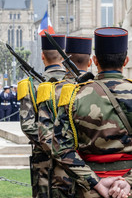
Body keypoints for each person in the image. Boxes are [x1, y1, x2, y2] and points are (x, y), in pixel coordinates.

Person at [53, 27, 132, 198]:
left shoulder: (74, 96)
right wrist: (128, 181)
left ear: (95, 61)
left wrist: (95, 182)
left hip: (90, 190)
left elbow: (61, 147)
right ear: (126, 61)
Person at [37, 36, 93, 198]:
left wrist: (65, 156)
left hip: (61, 171)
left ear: (65, 60)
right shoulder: (99, 90)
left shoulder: (50, 91)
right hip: (94, 171)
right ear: (90, 62)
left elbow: (45, 136)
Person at [19, 33, 66, 198]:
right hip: (72, 158)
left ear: (42, 55)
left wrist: (48, 143)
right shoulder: (77, 82)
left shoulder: (32, 85)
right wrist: (64, 146)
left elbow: (27, 125)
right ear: (64, 54)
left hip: (42, 159)